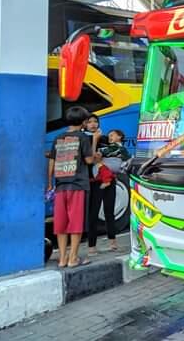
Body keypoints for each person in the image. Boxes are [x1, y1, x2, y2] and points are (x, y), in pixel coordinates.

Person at [48, 106, 99, 268]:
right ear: (84, 122)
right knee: (75, 222)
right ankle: (73, 258)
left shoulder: (58, 138)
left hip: (61, 185)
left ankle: (62, 259)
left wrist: (50, 182)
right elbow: (89, 160)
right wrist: (96, 145)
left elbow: (52, 161)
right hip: (78, 184)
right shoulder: (82, 137)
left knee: (61, 223)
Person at [89, 129, 130, 253]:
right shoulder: (113, 148)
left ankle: (108, 243)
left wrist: (96, 147)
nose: (110, 137)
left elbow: (95, 156)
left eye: (113, 135)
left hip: (105, 180)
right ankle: (97, 245)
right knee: (99, 213)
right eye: (109, 135)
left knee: (106, 212)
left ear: (120, 136)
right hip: (101, 180)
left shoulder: (115, 148)